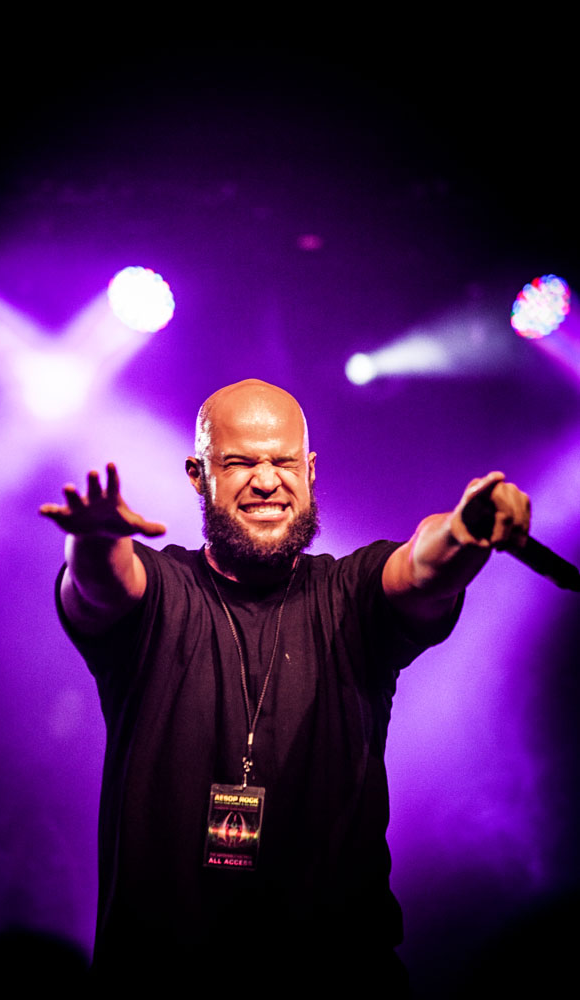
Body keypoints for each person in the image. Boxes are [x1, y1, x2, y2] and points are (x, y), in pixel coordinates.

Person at [40, 379, 530, 993]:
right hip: (161, 990)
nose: (267, 481)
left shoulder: (352, 593)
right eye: (241, 462)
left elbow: (425, 565)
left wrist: (466, 529)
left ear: (311, 469)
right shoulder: (160, 590)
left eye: (284, 461)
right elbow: (102, 584)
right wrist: (94, 540)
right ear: (198, 474)